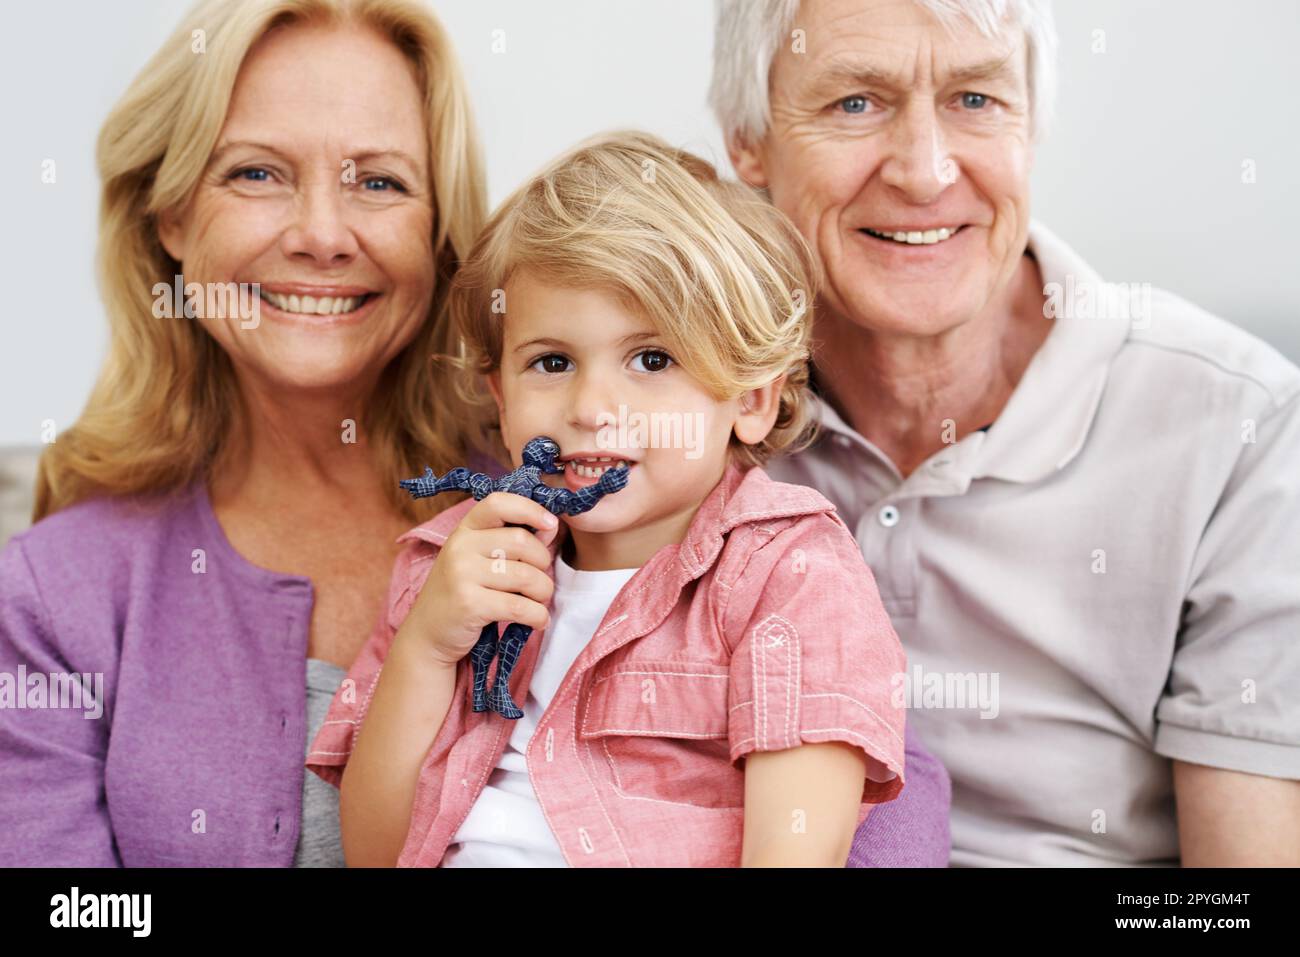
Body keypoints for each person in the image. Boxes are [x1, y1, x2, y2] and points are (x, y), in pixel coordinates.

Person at [711, 0, 1300, 865]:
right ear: (747, 139)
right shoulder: (678, 405)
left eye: (975, 100)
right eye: (855, 104)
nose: (922, 171)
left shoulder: (1239, 426)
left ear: (1031, 123)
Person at [306, 130, 945, 867]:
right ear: (500, 395)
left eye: (652, 358)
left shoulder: (789, 577)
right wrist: (426, 646)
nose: (591, 405)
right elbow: (374, 851)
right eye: (551, 361)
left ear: (752, 398)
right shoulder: (451, 561)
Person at [0, 0, 489, 866]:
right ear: (171, 217)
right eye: (257, 174)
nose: (321, 236)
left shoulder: (584, 518)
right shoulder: (50, 595)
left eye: (379, 182)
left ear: (439, 232)